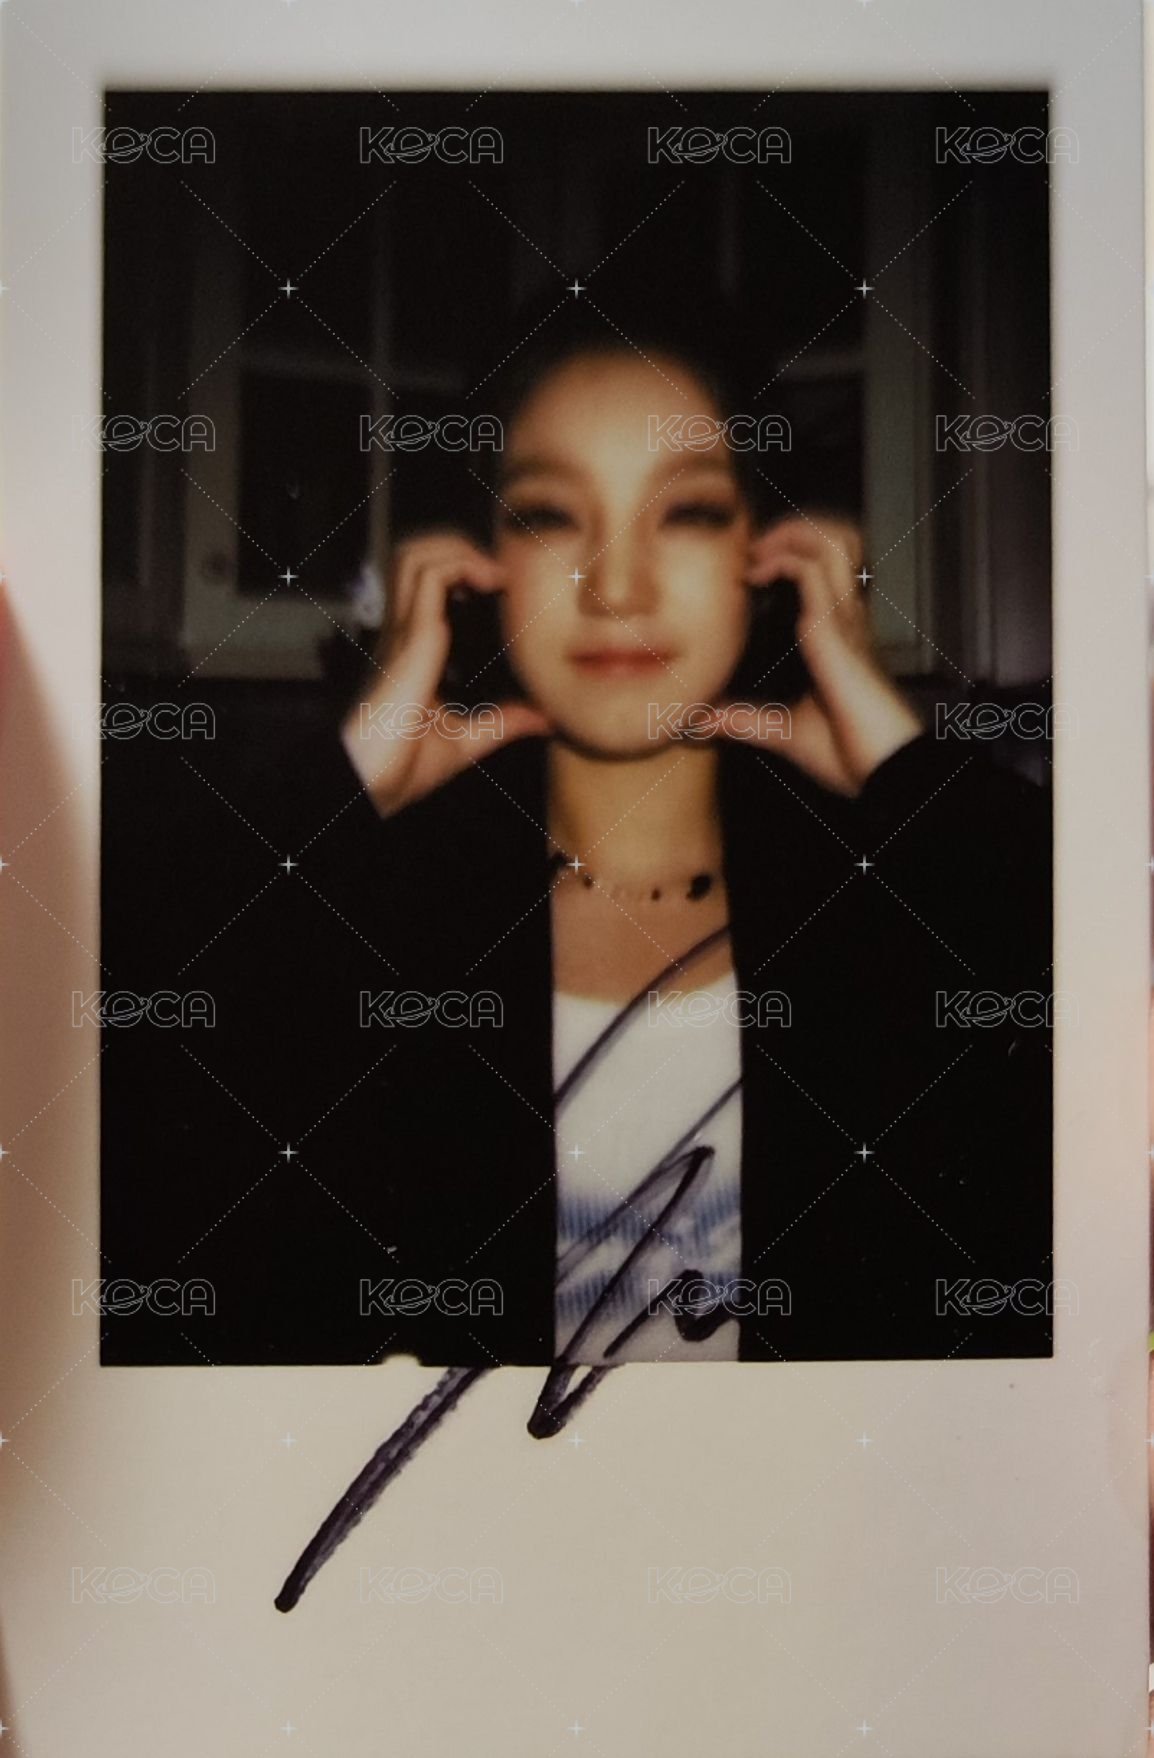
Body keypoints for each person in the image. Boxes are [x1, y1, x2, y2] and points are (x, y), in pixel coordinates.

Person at [101, 309, 1052, 1371]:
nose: (615, 587)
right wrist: (345, 781)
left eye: (686, 512)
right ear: (482, 564)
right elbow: (110, 1056)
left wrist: (907, 774)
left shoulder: (897, 898)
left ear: (767, 558)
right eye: (550, 515)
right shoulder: (367, 909)